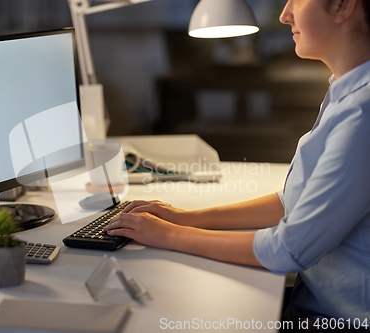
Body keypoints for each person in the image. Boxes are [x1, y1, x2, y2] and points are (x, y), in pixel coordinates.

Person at [104, 0, 370, 324]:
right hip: (312, 305)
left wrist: (167, 236)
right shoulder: (345, 92)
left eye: (296, 0)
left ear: (343, 6)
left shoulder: (362, 114)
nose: (285, 14)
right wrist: (185, 218)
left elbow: (288, 249)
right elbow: (292, 203)